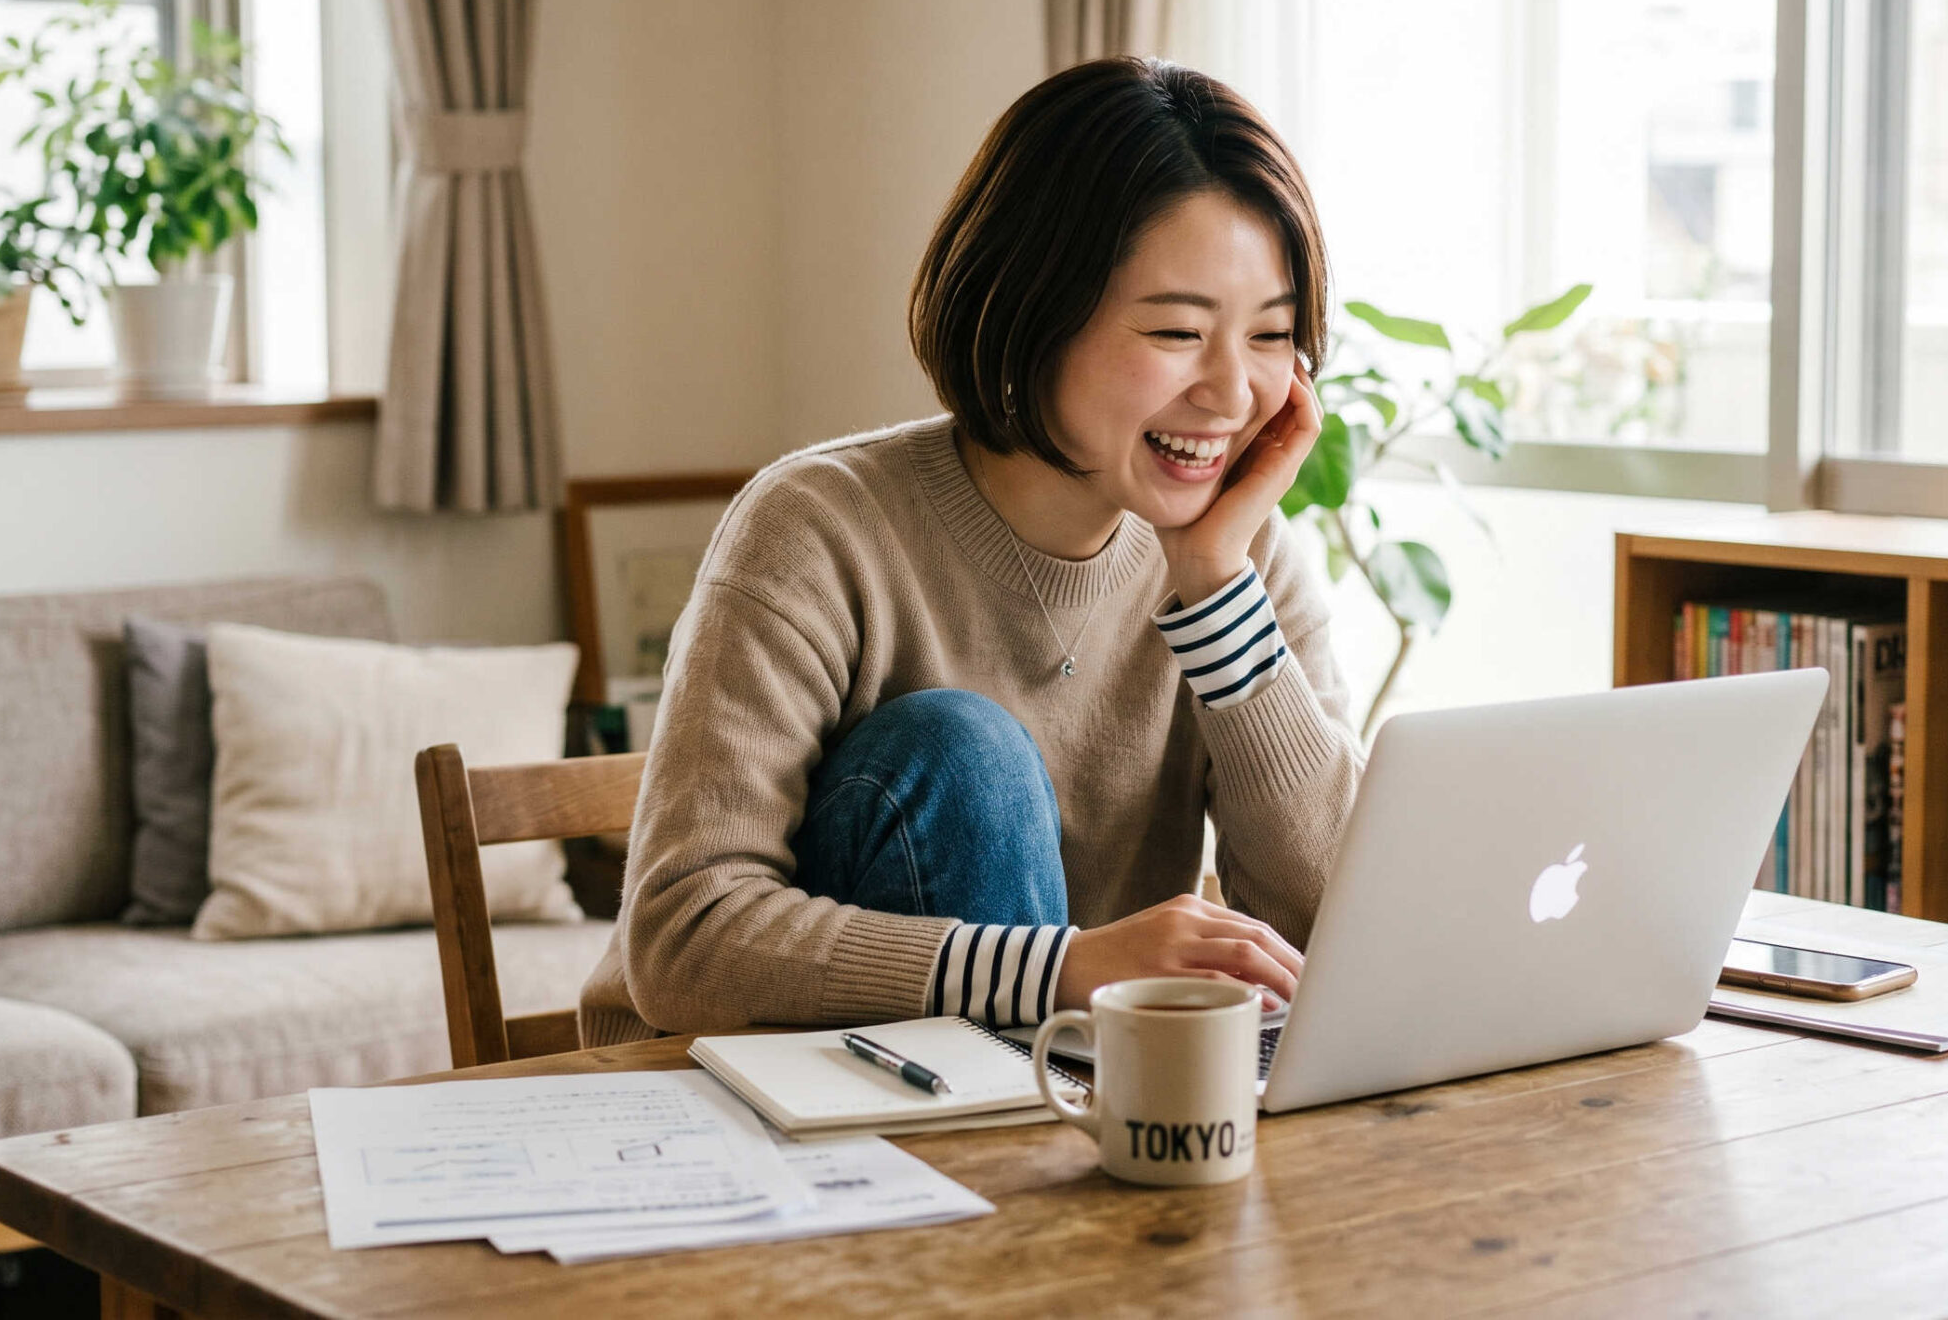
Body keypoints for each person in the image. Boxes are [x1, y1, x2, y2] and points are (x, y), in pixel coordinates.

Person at [578, 57, 1368, 1047]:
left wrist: (1214, 588)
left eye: (1271, 336)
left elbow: (1336, 925)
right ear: (1033, 306)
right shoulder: (817, 525)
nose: (1231, 390)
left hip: (1059, 1105)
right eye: (1176, 330)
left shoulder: (1242, 558)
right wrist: (1064, 969)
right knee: (963, 751)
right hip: (747, 1108)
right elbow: (682, 942)